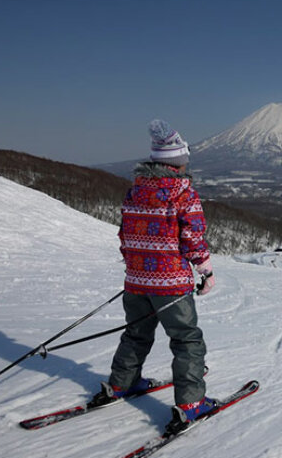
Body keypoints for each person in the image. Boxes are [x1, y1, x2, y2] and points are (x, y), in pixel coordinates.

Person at [91, 119, 216, 433]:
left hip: (135, 282)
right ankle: (190, 404)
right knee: (186, 339)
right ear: (177, 160)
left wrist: (135, 265)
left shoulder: (135, 190)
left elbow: (124, 235)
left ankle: (121, 384)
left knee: (136, 333)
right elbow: (193, 237)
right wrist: (205, 269)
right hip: (171, 284)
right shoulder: (183, 192)